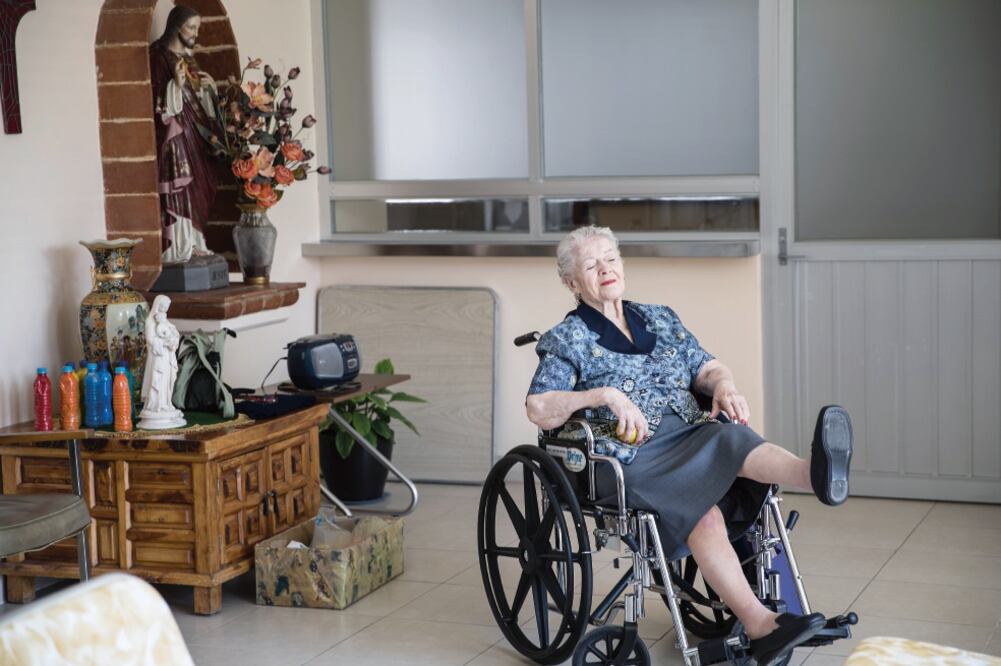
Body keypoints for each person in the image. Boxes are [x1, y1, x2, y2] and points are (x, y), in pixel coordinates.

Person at [525, 225, 853, 666]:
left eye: (611, 258)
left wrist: (725, 385)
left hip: (689, 431)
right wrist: (603, 395)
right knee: (703, 515)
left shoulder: (659, 317)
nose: (605, 268)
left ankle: (811, 473)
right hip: (629, 454)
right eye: (591, 264)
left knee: (731, 434)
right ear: (571, 282)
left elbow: (705, 366)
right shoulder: (567, 339)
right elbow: (539, 407)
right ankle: (761, 626)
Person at [149, 5, 220, 265]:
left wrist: (209, 90)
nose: (195, 33)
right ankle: (180, 244)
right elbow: (157, 104)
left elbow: (197, 96)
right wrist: (174, 87)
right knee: (181, 187)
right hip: (175, 135)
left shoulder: (189, 59)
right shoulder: (158, 57)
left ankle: (197, 241)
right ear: (176, 26)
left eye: (197, 28)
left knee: (199, 186)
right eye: (192, 27)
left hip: (197, 135)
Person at [139, 295, 186, 429]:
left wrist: (173, 340)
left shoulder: (165, 321)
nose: (165, 309)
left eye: (167, 307)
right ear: (157, 305)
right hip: (157, 358)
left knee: (167, 380)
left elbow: (174, 334)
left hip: (167, 357)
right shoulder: (150, 322)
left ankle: (166, 404)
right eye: (163, 306)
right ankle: (156, 405)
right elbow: (150, 340)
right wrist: (164, 342)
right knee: (158, 380)